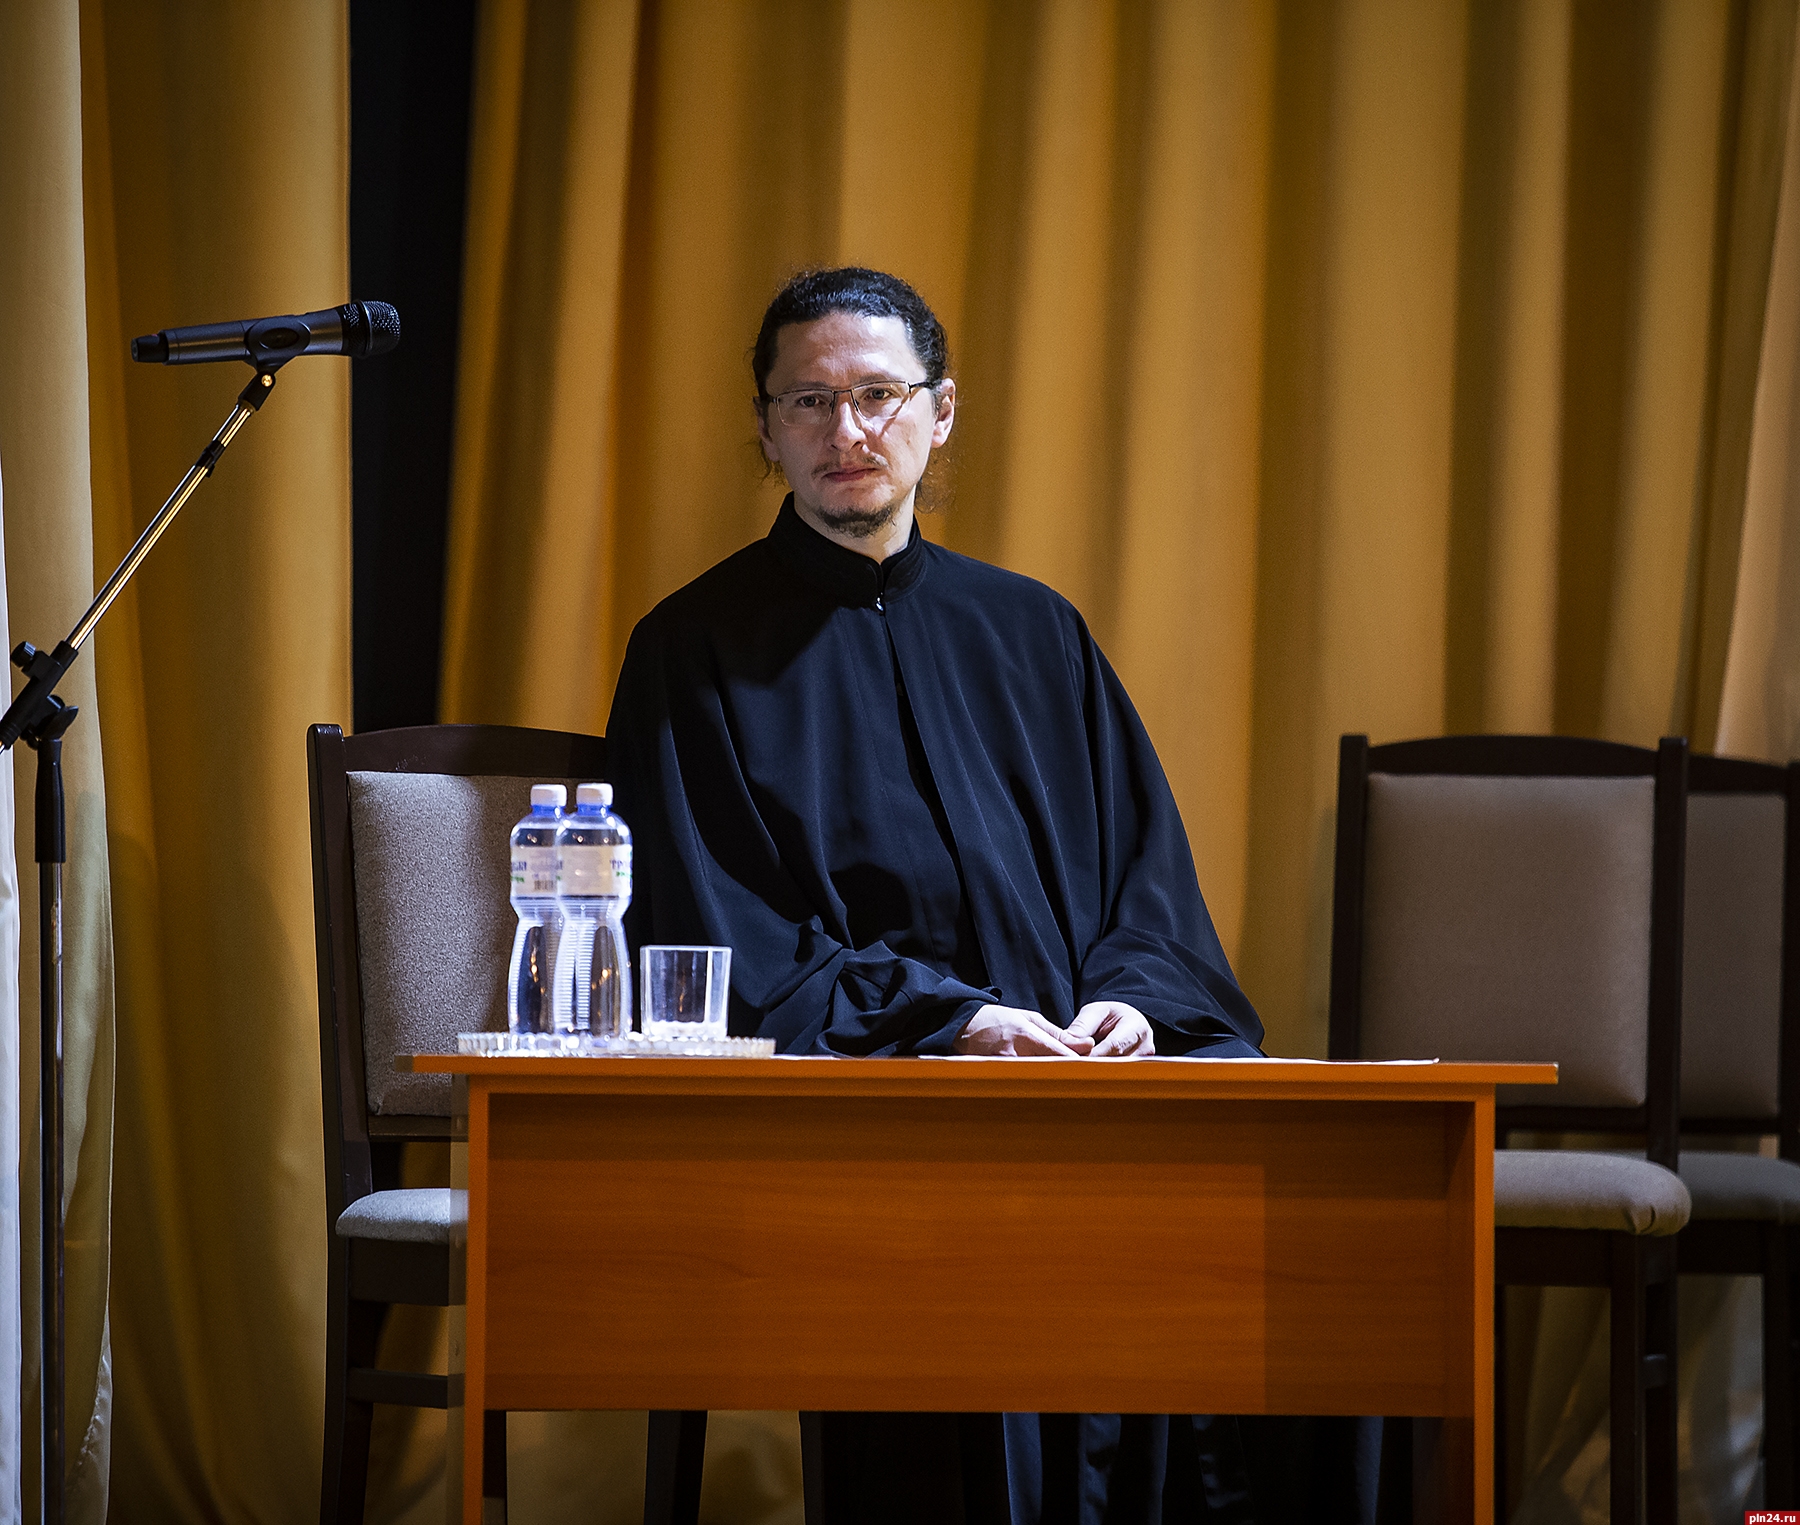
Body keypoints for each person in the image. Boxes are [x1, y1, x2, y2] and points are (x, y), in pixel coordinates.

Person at [606, 267, 1266, 1523]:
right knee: (971, 1213)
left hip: (1079, 1081)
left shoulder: (1036, 630)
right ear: (765, 429)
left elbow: (1150, 887)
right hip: (875, 1096)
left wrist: (1130, 1003)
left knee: (1296, 1241)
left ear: (941, 411)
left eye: (877, 395)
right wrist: (954, 1022)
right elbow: (714, 935)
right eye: (808, 401)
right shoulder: (691, 649)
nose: (846, 431)